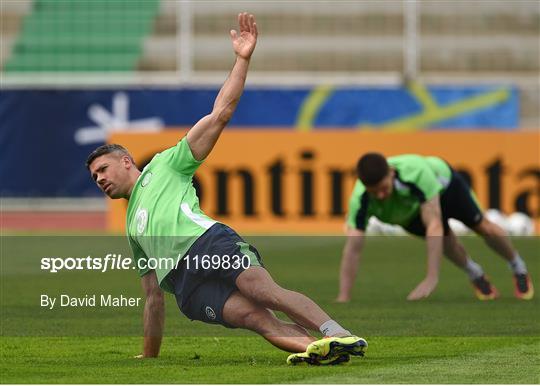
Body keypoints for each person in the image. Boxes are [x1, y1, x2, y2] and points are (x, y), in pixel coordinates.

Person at [86, 13, 366, 366]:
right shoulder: (131, 227)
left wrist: (242, 59)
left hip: (207, 243)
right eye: (94, 177)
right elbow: (153, 298)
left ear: (126, 161)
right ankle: (319, 349)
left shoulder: (166, 164)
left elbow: (220, 114)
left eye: (102, 169)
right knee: (254, 318)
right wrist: (149, 358)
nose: (99, 179)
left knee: (263, 292)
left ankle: (336, 333)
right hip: (186, 286)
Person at [337, 152, 534, 302]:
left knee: (483, 227)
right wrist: (344, 296)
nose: (380, 196)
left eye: (383, 188)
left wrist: (431, 277)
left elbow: (434, 225)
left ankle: (518, 267)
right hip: (410, 213)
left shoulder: (415, 173)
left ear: (391, 172)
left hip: (447, 189)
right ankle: (476, 274)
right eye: (374, 192)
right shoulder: (360, 199)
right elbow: (353, 248)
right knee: (448, 244)